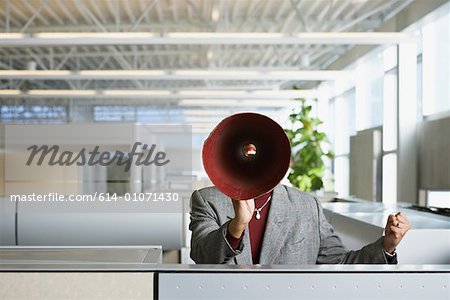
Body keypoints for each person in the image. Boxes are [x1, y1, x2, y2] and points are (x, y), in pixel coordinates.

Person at [189, 184, 410, 264]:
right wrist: (237, 225)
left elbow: (338, 263)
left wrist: (386, 246)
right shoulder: (208, 199)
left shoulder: (306, 204)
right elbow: (201, 255)